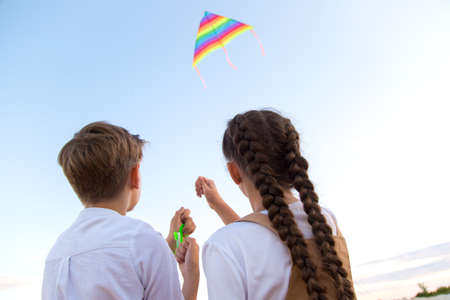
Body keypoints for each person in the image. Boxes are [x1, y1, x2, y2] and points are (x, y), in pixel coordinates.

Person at [178, 110, 356, 300]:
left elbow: (252, 243)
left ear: (234, 172)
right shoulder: (327, 221)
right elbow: (265, 237)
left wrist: (190, 279)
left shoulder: (223, 246)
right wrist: (217, 204)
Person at [42, 121, 199, 300]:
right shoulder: (146, 241)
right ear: (134, 174)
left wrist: (173, 239)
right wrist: (191, 281)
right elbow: (140, 253)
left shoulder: (56, 253)